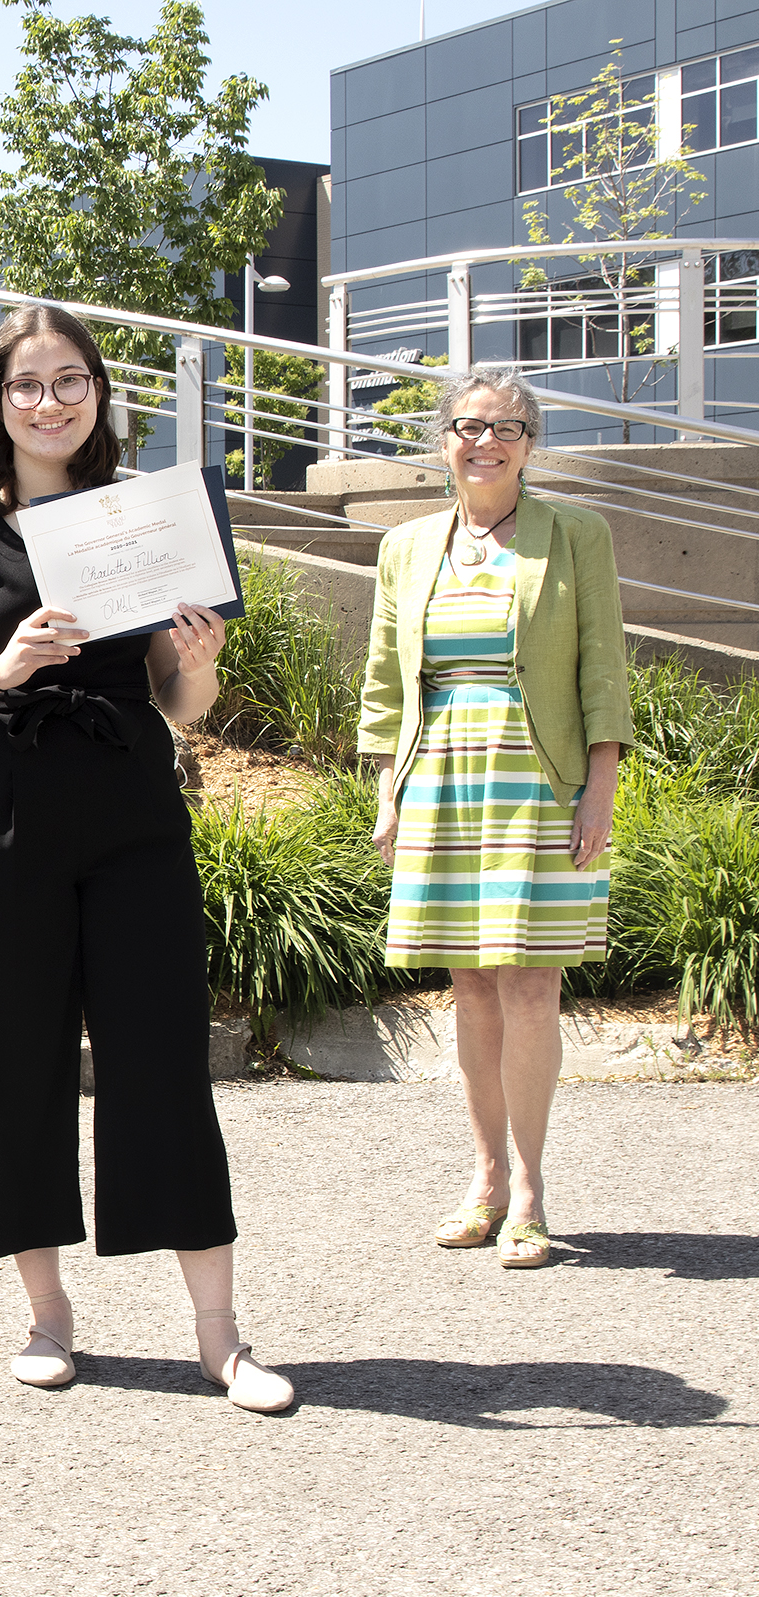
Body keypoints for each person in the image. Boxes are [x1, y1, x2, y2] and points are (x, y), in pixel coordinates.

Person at [0, 306, 294, 1412]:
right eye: (26, 384)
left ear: (100, 394)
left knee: (161, 1055)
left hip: (127, 809)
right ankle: (47, 1316)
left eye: (71, 380)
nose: (49, 401)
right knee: (14, 1060)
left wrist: (197, 661)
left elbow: (178, 701)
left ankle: (221, 1334)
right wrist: (3, 665)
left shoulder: (139, 517)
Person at [362, 365, 631, 1271]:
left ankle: (529, 1187)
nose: (485, 441)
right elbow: (383, 681)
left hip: (538, 773)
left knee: (530, 984)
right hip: (438, 772)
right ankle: (479, 1177)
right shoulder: (403, 546)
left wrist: (599, 787)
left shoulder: (575, 536)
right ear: (442, 442)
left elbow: (602, 669)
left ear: (529, 441)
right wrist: (388, 787)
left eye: (505, 427)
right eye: (468, 426)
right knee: (469, 983)